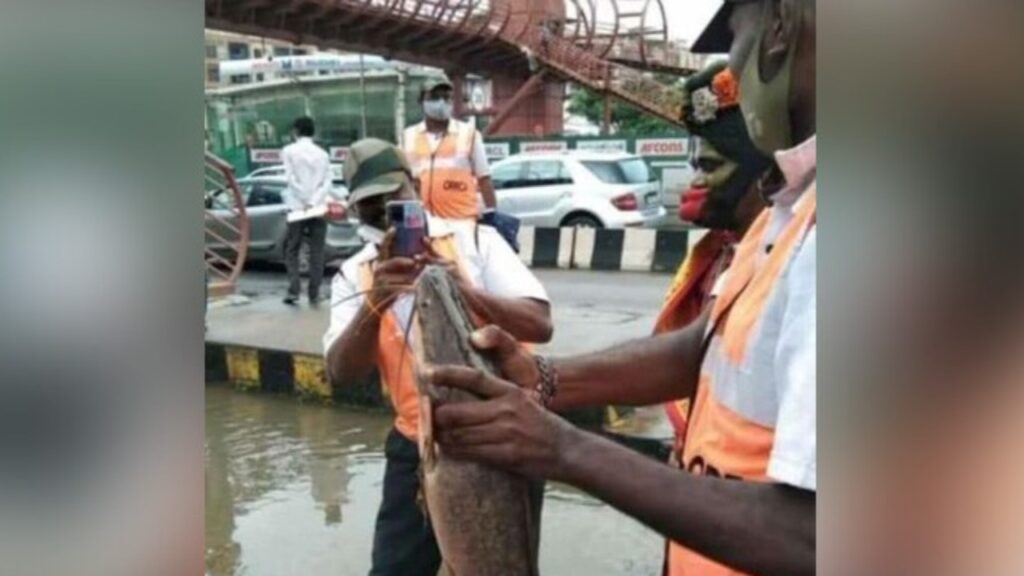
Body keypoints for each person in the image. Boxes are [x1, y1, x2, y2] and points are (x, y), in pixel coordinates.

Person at [427, 1, 817, 575]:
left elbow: (814, 536)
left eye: (733, 38)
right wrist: (546, 380)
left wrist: (563, 448)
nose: (731, 62)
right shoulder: (788, 208)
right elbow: (704, 348)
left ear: (781, 26)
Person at [323, 139, 552, 576]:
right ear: (356, 210)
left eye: (394, 197)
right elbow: (341, 372)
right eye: (371, 205)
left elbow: (539, 322)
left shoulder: (475, 240)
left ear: (413, 185)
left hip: (503, 435)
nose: (384, 211)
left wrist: (466, 293)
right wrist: (376, 301)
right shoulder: (355, 274)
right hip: (419, 444)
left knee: (506, 565)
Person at [656, 59, 773, 468]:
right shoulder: (718, 252)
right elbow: (690, 355)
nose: (697, 184)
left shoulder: (791, 255)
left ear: (767, 174)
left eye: (711, 167)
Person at [401, 77, 497, 221]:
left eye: (446, 97)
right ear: (421, 101)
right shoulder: (407, 136)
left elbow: (484, 179)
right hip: (422, 224)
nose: (441, 102)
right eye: (434, 97)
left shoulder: (469, 134)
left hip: (461, 222)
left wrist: (492, 215)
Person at [281, 116, 331, 306]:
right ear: (313, 131)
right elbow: (327, 182)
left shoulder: (288, 151)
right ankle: (314, 293)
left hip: (296, 207)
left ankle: (294, 290)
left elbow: (290, 178)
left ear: (295, 131)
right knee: (317, 251)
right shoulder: (323, 154)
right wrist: (313, 200)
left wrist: (304, 199)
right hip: (318, 207)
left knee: (292, 249)